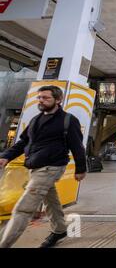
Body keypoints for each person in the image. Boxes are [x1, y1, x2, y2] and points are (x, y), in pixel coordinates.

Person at [0, 86, 87, 248]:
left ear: (58, 100)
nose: (41, 100)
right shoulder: (36, 120)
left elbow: (77, 147)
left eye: (46, 98)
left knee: (23, 209)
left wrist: (80, 169)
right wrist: (6, 156)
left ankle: (3, 243)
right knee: (50, 200)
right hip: (35, 167)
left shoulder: (68, 120)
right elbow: (24, 142)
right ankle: (60, 229)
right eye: (39, 97)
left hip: (51, 167)